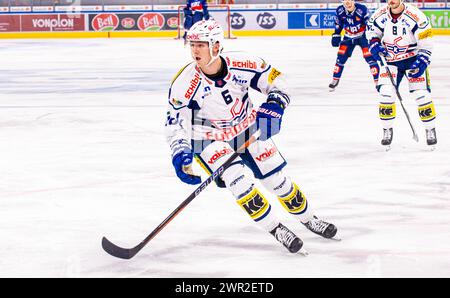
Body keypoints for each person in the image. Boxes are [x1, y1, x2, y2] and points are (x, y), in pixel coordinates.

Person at [165, 20, 338, 254]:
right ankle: (277, 229)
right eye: (192, 44)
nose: (194, 50)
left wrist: (275, 105)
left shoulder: (246, 62)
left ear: (216, 46)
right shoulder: (184, 83)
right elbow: (174, 121)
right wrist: (180, 151)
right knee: (241, 185)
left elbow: (278, 82)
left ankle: (309, 219)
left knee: (278, 182)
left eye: (201, 45)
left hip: (247, 128)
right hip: (209, 137)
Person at [367, 0, 437, 147]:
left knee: (421, 95)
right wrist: (374, 45)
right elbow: (372, 33)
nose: (391, 1)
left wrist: (423, 59)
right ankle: (387, 129)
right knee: (386, 94)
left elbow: (426, 40)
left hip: (413, 59)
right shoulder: (379, 15)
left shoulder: (416, 15)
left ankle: (430, 129)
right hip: (390, 61)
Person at [329, 0, 380, 91]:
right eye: (345, 0)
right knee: (340, 58)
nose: (347, 2)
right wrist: (336, 34)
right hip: (348, 37)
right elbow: (338, 24)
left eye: (349, 0)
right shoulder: (339, 11)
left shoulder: (362, 9)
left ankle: (378, 81)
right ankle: (335, 79)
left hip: (363, 37)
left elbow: (370, 24)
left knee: (370, 58)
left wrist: (371, 37)